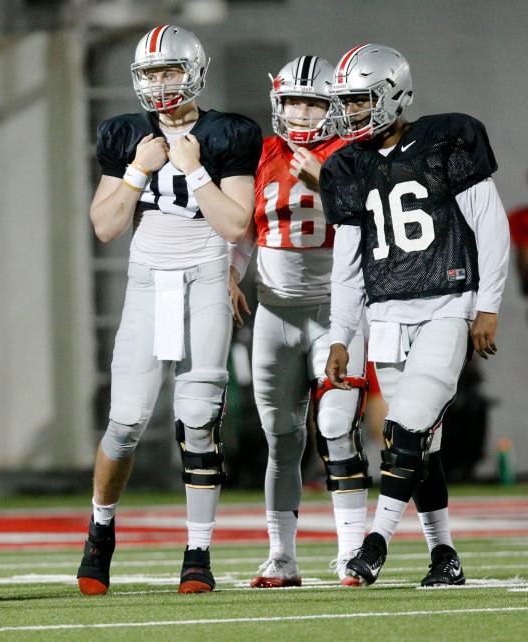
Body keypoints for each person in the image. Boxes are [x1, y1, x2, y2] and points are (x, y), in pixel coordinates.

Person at [75, 24, 261, 596]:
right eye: (150, 73)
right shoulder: (126, 133)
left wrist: (193, 168)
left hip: (206, 274)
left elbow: (235, 224)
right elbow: (105, 226)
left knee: (199, 417)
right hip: (147, 281)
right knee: (126, 420)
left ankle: (197, 551)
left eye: (169, 71)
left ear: (195, 72)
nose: (159, 83)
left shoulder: (229, 132)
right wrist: (138, 169)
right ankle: (100, 530)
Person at [321, 44, 509, 586]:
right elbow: (347, 266)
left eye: (360, 101)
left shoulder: (447, 139)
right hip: (385, 316)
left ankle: (373, 544)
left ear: (393, 94)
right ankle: (443, 556)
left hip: (447, 305)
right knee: (421, 444)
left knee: (404, 430)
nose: (350, 113)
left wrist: (487, 305)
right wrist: (341, 335)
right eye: (346, 102)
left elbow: (490, 224)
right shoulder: (347, 167)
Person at [228, 56, 370, 589]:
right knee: (282, 441)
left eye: (313, 101)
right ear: (277, 103)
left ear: (333, 105)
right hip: (274, 311)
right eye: (293, 102)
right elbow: (245, 231)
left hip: (336, 313)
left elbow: (372, 225)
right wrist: (230, 272)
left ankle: (352, 553)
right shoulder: (263, 155)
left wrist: (329, 181)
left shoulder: (351, 155)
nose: (302, 112)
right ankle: (281, 557)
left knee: (336, 429)